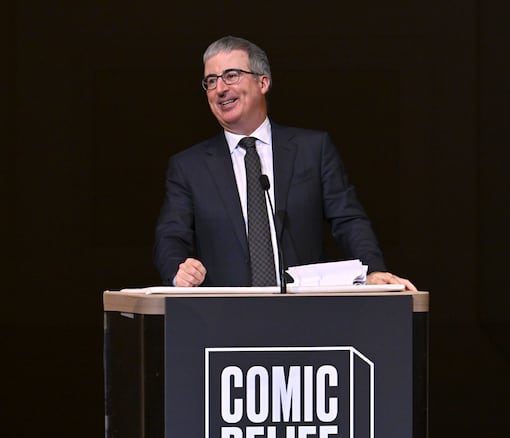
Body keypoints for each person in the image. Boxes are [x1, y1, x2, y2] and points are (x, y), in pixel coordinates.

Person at [153, 35, 417, 291]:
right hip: (223, 313)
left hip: (305, 311)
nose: (220, 89)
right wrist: (178, 270)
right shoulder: (189, 167)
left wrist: (372, 271)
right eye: (211, 81)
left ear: (263, 82)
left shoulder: (312, 150)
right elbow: (171, 235)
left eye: (231, 75)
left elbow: (348, 220)